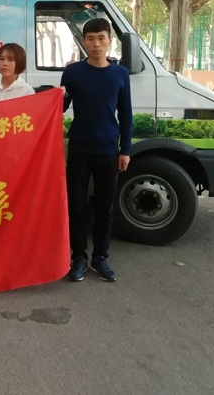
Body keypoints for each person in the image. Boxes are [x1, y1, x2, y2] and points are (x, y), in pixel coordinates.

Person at [60, 17, 132, 283]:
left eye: (101, 38)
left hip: (108, 150)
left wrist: (125, 149)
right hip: (79, 148)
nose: (96, 44)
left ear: (110, 41)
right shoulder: (73, 72)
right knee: (77, 206)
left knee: (105, 207)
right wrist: (58, 96)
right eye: (90, 39)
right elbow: (61, 107)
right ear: (83, 42)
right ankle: (79, 256)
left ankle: (100, 257)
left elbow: (126, 114)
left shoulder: (120, 74)